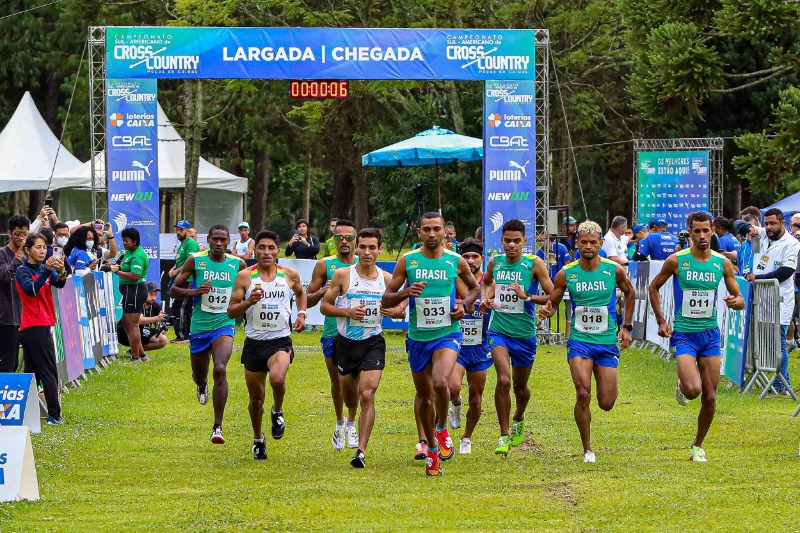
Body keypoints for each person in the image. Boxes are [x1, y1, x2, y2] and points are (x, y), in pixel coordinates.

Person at [383, 212, 480, 477]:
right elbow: (386, 299)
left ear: (445, 233)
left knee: (441, 383)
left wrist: (463, 305)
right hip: (417, 338)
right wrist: (406, 292)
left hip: (447, 334)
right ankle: (433, 450)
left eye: (437, 229)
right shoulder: (408, 261)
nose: (432, 234)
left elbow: (474, 289)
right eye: (427, 229)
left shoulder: (455, 261)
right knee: (425, 399)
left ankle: (441, 428)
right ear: (419, 233)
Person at [649, 211, 745, 461]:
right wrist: (661, 320)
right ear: (689, 232)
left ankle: (697, 445)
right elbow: (653, 288)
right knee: (693, 391)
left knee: (711, 396)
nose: (702, 236)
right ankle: (682, 385)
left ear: (712, 230)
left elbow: (740, 297)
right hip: (684, 335)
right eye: (697, 231)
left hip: (710, 335)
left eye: (706, 230)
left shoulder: (721, 263)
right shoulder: (676, 261)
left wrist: (736, 302)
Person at [538, 221, 635, 463]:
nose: (589, 246)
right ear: (577, 243)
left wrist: (627, 327)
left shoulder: (613, 270)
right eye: (584, 242)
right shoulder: (567, 273)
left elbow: (630, 292)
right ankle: (587, 449)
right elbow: (554, 301)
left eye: (593, 242)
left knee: (606, 403)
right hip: (579, 342)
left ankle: (590, 440)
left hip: (606, 343)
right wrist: (548, 311)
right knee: (583, 393)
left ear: (601, 244)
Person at [321, 228, 405, 467]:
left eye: (372, 247)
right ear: (356, 248)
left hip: (373, 343)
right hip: (345, 344)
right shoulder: (342, 275)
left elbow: (401, 307)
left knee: (367, 393)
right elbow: (325, 307)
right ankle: (349, 419)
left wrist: (393, 311)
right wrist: (347, 311)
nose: (367, 252)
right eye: (363, 247)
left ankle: (361, 451)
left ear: (380, 250)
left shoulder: (386, 279)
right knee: (350, 398)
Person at [228, 230, 306, 460]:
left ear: (277, 251)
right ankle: (258, 439)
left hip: (280, 341)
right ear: (256, 250)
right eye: (261, 247)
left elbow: (302, 294)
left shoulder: (289, 275)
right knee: (256, 399)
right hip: (254, 343)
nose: (266, 252)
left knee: (278, 379)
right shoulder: (245, 277)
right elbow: (231, 310)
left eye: (271, 248)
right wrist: (248, 302)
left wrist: (301, 314)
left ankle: (278, 410)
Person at [480, 219, 553, 456]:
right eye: (507, 241)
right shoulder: (495, 262)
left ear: (525, 241)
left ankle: (519, 416)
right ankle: (503, 435)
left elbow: (553, 295)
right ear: (501, 241)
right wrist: (486, 299)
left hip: (524, 335)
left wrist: (527, 296)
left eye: (516, 241)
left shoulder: (534, 264)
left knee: (521, 388)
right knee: (504, 380)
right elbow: (488, 284)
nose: (512, 245)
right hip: (498, 331)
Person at [170, 225, 247, 444]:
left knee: (220, 369)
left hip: (224, 325)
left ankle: (218, 427)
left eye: (223, 239)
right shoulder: (196, 260)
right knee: (200, 375)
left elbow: (247, 290)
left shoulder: (238, 264)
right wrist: (196, 292)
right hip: (199, 327)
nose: (219, 243)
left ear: (228, 241)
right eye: (215, 239)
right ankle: (201, 385)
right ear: (209, 240)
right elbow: (174, 290)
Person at [306, 220, 360, 450]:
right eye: (339, 238)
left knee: (355, 383)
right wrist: (322, 291)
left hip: (359, 332)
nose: (344, 242)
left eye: (349, 237)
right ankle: (340, 421)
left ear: (356, 239)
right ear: (333, 240)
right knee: (338, 381)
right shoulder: (324, 264)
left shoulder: (364, 264)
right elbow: (307, 300)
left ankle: (351, 423)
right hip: (332, 333)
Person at [741, 208, 800, 394]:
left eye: (773, 223)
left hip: (779, 298)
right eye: (766, 223)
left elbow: (786, 272)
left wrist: (757, 278)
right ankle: (769, 378)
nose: (769, 227)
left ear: (783, 223)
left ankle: (782, 383)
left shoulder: (791, 243)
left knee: (777, 342)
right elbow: (736, 225)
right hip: (760, 298)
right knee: (763, 341)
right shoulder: (763, 235)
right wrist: (750, 227)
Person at [15, 233, 67, 424]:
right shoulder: (23, 271)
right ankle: (54, 415)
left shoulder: (43, 268)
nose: (42, 251)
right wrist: (46, 270)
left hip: (41, 324)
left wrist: (61, 271)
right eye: (38, 247)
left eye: (45, 247)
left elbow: (59, 283)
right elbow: (31, 290)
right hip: (34, 326)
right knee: (48, 372)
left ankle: (25, 414)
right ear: (27, 250)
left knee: (32, 372)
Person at [447, 238, 492, 455]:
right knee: (452, 387)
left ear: (482, 259)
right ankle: (455, 402)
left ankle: (467, 437)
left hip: (480, 346)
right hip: (456, 344)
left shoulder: (488, 281)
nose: (471, 261)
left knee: (476, 396)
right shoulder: (453, 279)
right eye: (466, 257)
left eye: (475, 257)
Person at [110, 228, 150, 361]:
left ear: (135, 241)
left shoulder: (137, 255)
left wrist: (116, 272)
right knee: (127, 324)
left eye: (126, 241)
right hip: (130, 291)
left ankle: (136, 357)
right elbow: (121, 266)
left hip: (136, 290)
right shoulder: (129, 253)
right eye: (123, 240)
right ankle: (142, 354)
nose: (124, 243)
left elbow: (134, 275)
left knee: (132, 324)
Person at [0, 215, 29, 372]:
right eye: (18, 233)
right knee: (7, 363)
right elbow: (5, 277)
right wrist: (18, 257)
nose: (22, 237)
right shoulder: (2, 254)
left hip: (21, 316)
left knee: (15, 363)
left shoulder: (25, 257)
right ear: (10, 233)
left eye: (25, 233)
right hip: (5, 317)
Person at [168, 220, 200, 343]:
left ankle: (183, 335)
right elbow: (180, 261)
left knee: (180, 307)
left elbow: (190, 263)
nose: (178, 232)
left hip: (188, 279)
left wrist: (176, 272)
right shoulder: (183, 244)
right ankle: (184, 334)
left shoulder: (190, 244)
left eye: (181, 230)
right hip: (182, 279)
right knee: (181, 306)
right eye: (177, 229)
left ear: (188, 231)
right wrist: (173, 269)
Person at [116, 282, 168, 353]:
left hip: (142, 332)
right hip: (125, 333)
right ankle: (138, 353)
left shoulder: (155, 305)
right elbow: (139, 320)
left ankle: (132, 352)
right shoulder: (137, 302)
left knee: (162, 339)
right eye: (151, 294)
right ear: (144, 293)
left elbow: (162, 318)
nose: (153, 298)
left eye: (155, 295)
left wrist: (163, 327)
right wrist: (157, 318)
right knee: (138, 328)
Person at [735, 207, 761, 275]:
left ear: (757, 221)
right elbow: (740, 268)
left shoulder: (763, 242)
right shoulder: (743, 245)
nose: (744, 227)